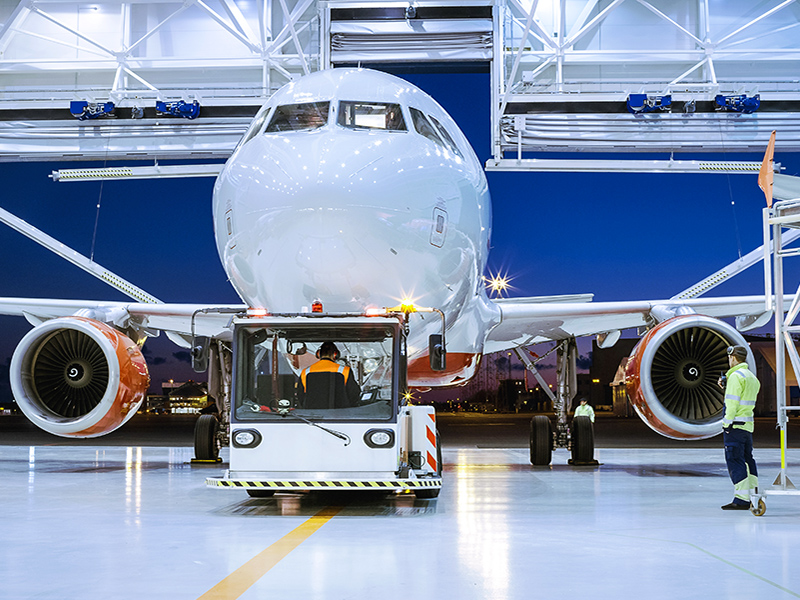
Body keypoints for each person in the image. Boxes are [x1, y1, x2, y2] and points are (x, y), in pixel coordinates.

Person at [717, 345, 760, 511]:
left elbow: (732, 403)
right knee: (748, 461)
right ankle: (752, 495)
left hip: (734, 426)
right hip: (747, 426)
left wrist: (726, 423)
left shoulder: (735, 376)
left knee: (734, 459)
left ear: (733, 358)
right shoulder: (751, 377)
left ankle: (741, 499)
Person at [300, 341, 361, 409]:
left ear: (318, 354)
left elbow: (301, 397)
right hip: (340, 415)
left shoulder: (306, 372)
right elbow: (354, 394)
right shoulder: (344, 370)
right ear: (335, 355)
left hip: (312, 416)